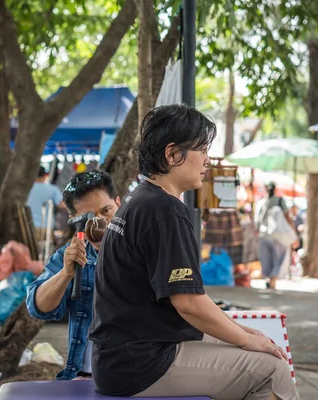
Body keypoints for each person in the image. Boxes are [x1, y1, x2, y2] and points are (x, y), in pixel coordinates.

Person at [89, 105, 298, 400]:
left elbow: (188, 298)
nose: (207, 160)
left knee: (244, 342)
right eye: (201, 150)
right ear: (173, 155)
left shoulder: (141, 198)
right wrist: (247, 340)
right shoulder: (166, 210)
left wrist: (244, 332)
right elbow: (188, 303)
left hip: (120, 356)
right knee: (272, 369)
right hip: (140, 365)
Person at [26, 170, 121, 380]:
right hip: (87, 376)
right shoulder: (69, 256)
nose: (100, 223)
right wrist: (66, 274)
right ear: (73, 219)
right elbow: (37, 307)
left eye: (106, 211)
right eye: (89, 218)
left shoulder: (142, 247)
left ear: (118, 204)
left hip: (141, 370)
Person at [256, 182, 292, 289]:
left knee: (266, 259)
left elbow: (256, 221)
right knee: (278, 258)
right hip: (277, 236)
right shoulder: (279, 201)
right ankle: (273, 282)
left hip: (263, 235)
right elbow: (287, 216)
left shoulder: (261, 202)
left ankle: (270, 280)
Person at [26, 166, 65, 241]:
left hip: (30, 227)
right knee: (47, 250)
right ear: (45, 176)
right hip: (47, 226)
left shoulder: (27, 189)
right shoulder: (52, 189)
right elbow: (62, 205)